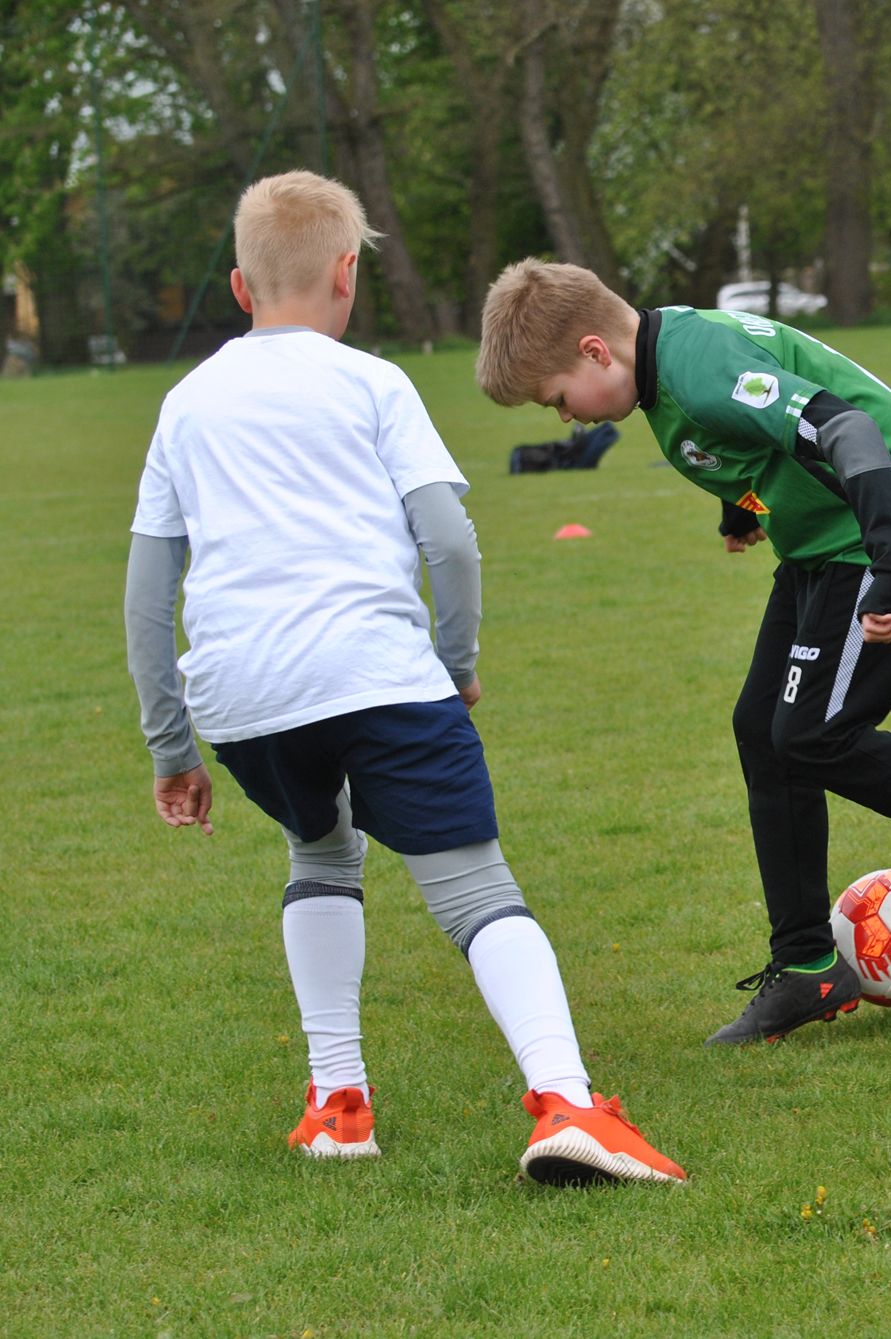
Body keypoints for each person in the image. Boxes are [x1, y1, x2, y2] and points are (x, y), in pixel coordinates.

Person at [125, 171, 686, 1184]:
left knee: (321, 851)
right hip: (377, 674)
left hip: (242, 701)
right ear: (348, 275)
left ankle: (338, 1104)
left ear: (243, 289)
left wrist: (172, 748)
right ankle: (566, 1102)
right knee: (476, 892)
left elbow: (145, 591)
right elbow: (449, 542)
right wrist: (455, 664)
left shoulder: (184, 403)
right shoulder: (373, 383)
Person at [474, 260, 891, 1044]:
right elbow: (753, 435)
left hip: (885, 527)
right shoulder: (660, 360)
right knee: (763, 728)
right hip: (821, 538)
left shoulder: (695, 368)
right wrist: (739, 509)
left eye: (556, 398)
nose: (565, 418)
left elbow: (845, 427)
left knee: (816, 735)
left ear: (595, 351)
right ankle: (805, 965)